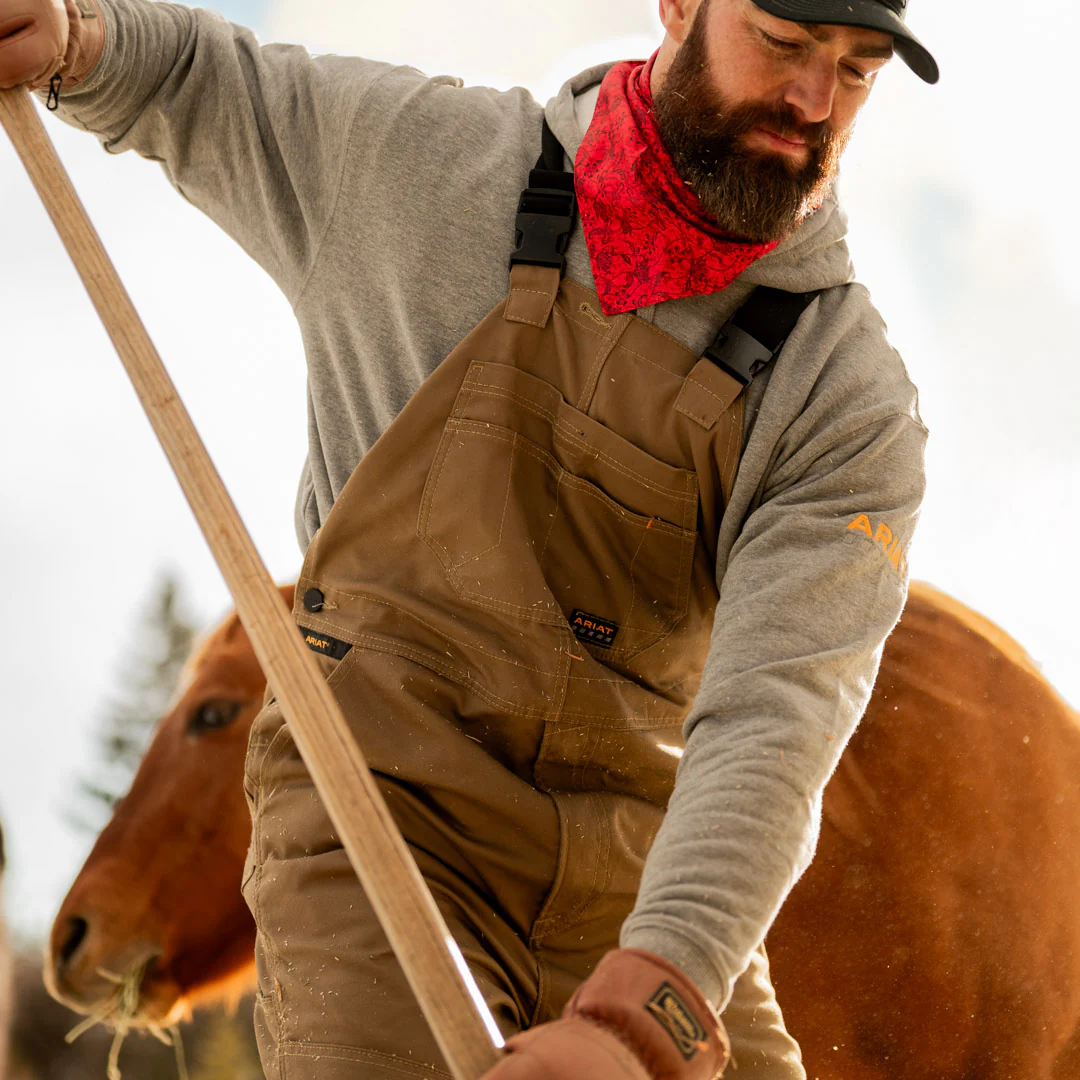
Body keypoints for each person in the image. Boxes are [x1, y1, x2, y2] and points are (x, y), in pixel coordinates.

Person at [0, 0, 935, 1076]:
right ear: (681, 6)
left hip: (639, 883)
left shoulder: (846, 398)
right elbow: (205, 85)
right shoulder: (424, 169)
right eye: (782, 43)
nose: (814, 101)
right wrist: (70, 38)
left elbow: (776, 722)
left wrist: (648, 1012)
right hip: (378, 826)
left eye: (857, 70)